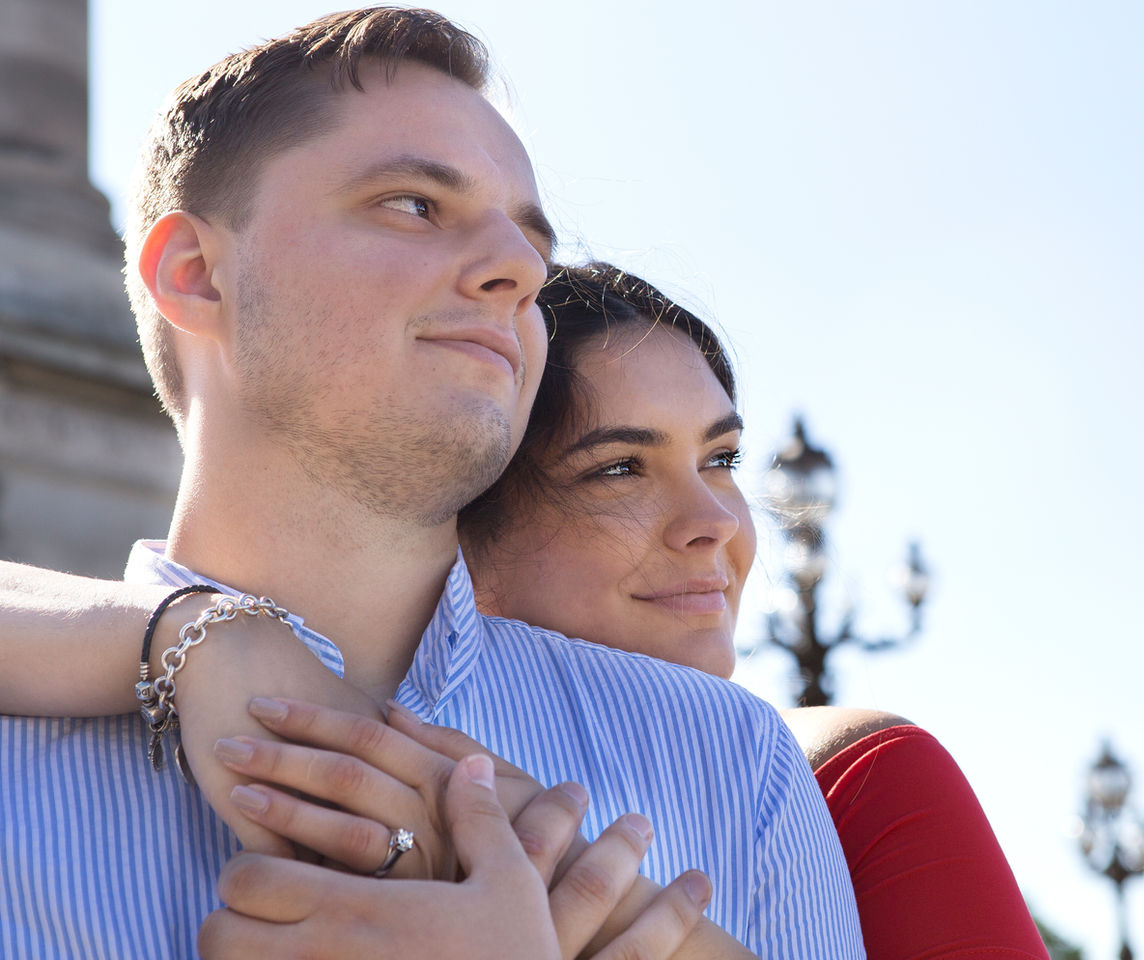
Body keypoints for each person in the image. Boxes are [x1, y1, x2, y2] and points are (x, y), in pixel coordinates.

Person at [0, 9, 863, 959]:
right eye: (413, 203)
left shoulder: (734, 771)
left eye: (530, 246)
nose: (518, 274)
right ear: (197, 274)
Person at [5, 261, 1046, 959]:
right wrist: (199, 635)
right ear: (463, 522)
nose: (715, 523)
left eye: (722, 458)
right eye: (620, 469)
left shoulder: (839, 779)